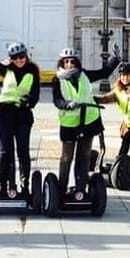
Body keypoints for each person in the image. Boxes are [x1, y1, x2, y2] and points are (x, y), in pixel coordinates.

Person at [0, 22, 41, 194]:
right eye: (15, 58)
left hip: (23, 115)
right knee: (5, 152)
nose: (19, 61)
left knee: (23, 150)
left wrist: (29, 102)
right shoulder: (6, 70)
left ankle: (25, 185)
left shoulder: (33, 71)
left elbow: (35, 94)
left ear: (26, 56)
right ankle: (4, 186)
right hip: (4, 114)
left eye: (21, 57)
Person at [51, 46, 120, 196]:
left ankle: (80, 189)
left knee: (84, 156)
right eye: (66, 62)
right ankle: (61, 190)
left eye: (72, 61)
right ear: (61, 63)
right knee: (66, 157)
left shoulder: (84, 75)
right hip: (69, 123)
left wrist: (116, 59)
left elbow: (104, 73)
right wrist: (67, 105)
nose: (70, 64)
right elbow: (57, 100)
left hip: (89, 120)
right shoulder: (57, 79)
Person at [95, 59, 130, 162]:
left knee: (127, 137)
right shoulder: (119, 90)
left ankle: (119, 160)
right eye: (122, 75)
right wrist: (94, 99)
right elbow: (106, 98)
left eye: (126, 75)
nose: (124, 78)